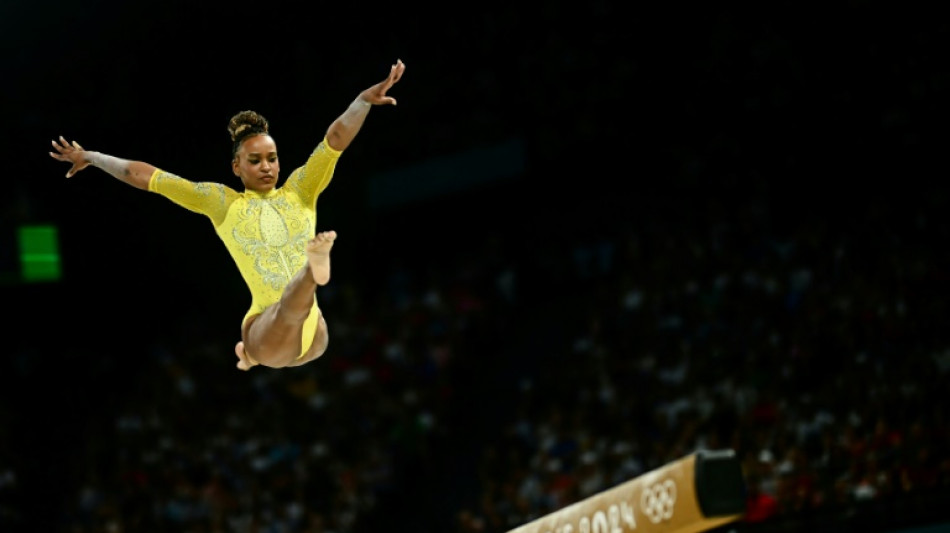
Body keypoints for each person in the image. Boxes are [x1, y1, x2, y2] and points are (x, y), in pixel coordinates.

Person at [49, 59, 406, 371]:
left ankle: (262, 336)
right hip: (269, 327)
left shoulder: (301, 189)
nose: (266, 167)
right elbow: (147, 177)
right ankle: (310, 274)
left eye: (272, 158)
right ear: (236, 166)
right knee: (288, 308)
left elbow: (334, 139)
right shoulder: (222, 203)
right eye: (254, 160)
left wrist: (362, 101)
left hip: (316, 335)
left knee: (296, 311)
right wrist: (92, 157)